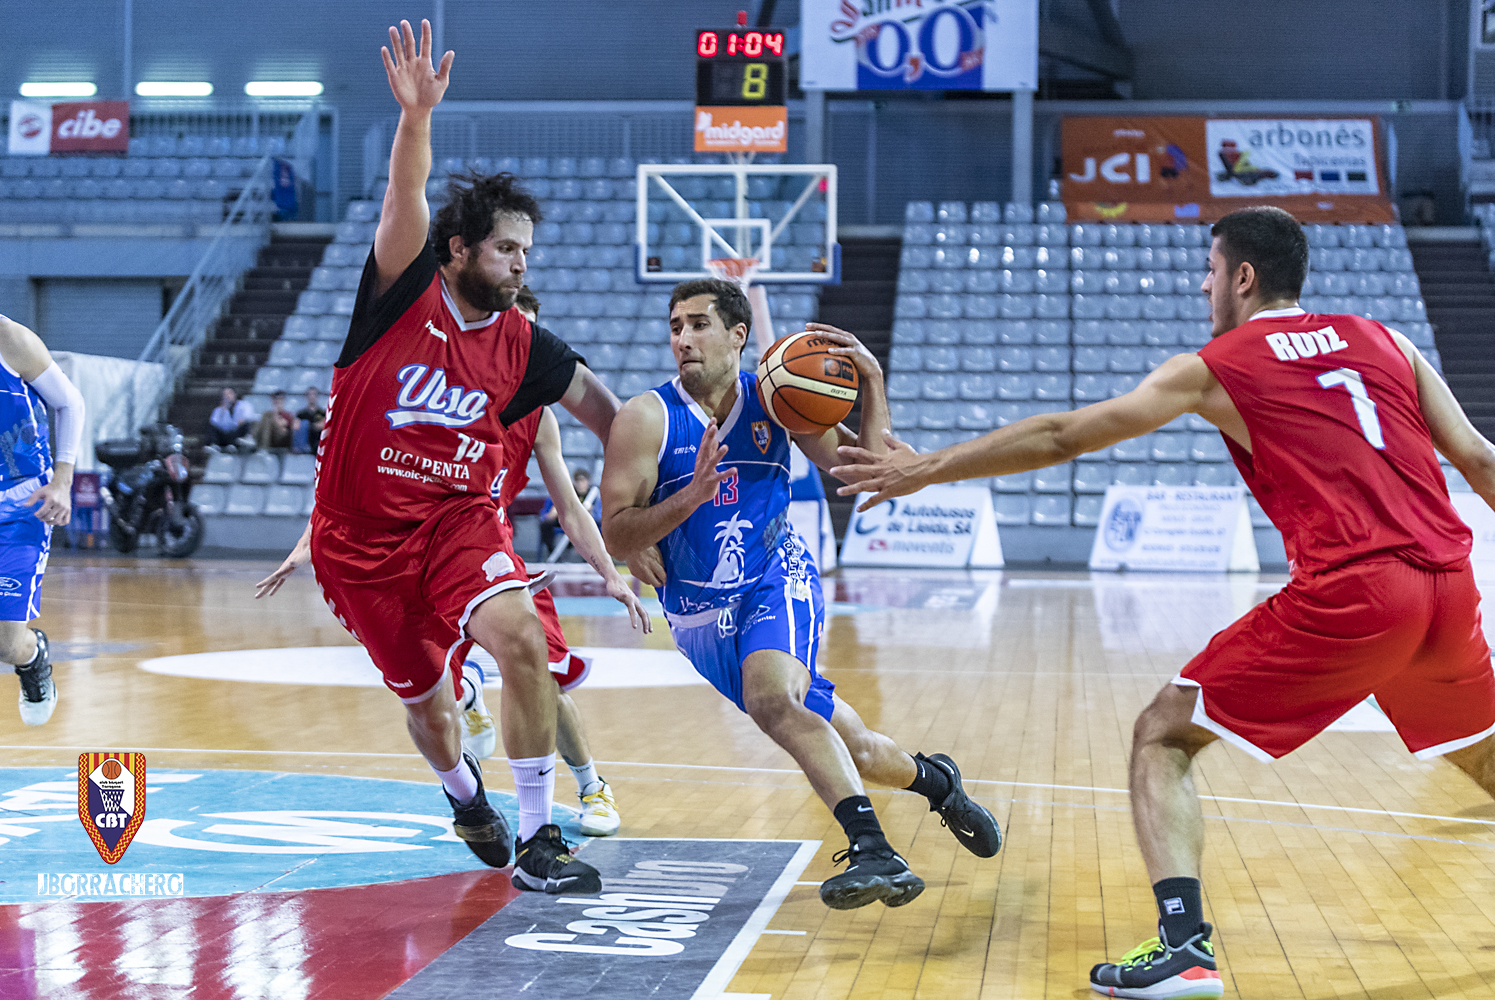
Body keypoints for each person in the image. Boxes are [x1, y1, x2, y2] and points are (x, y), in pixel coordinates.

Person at [831, 206, 1495, 998]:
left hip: (1356, 589)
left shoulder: (1216, 364)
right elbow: (1479, 460)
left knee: (1161, 734)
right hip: (1446, 581)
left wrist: (925, 468)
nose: (1202, 287)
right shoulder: (1388, 340)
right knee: (1481, 754)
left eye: (1209, 272)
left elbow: (1064, 435)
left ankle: (1184, 947)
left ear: (1242, 276)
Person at [256, 19, 620, 895]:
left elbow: (611, 417)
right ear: (459, 250)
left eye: (527, 251)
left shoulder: (526, 344)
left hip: (457, 523)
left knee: (522, 641)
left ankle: (538, 839)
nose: (520, 265)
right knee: (428, 709)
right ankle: (464, 795)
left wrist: (661, 483)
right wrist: (416, 117)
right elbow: (404, 195)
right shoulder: (401, 291)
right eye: (506, 248)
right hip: (358, 543)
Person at [600, 278, 1002, 910]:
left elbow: (870, 473)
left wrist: (872, 383)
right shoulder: (644, 417)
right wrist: (687, 500)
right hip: (698, 617)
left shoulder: (777, 399)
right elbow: (617, 531)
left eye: (699, 324)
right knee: (857, 747)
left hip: (775, 578)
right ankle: (937, 782)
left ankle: (873, 849)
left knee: (772, 698)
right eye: (676, 327)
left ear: (738, 334)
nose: (683, 339)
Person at [0, 313, 84, 727]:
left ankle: (32, 657)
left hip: (21, 505)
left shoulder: (9, 339)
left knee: (5, 645)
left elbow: (70, 403)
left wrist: (63, 481)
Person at [538, 466, 598, 559]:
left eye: (583, 480)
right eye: (578, 480)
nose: (580, 483)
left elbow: (597, 516)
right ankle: (553, 553)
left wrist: (589, 512)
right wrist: (555, 511)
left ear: (588, 481)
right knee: (546, 525)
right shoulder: (569, 492)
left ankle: (590, 559)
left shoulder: (592, 495)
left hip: (583, 524)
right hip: (567, 520)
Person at [294, 387, 326, 453]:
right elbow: (296, 426)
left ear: (318, 396)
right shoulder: (301, 413)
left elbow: (323, 426)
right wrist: (313, 426)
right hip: (305, 441)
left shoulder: (323, 413)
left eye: (314, 394)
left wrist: (308, 425)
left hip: (318, 441)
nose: (312, 397)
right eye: (309, 394)